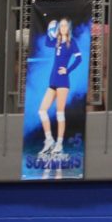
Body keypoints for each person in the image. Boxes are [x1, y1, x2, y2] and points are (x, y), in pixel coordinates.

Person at [37, 18, 82, 155]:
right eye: (60, 26)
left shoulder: (71, 43)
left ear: (68, 28)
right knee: (42, 111)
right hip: (53, 80)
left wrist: (67, 70)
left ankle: (60, 144)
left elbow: (79, 59)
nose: (62, 28)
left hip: (63, 81)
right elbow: (46, 42)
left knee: (59, 113)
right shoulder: (56, 42)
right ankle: (49, 139)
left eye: (64, 26)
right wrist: (49, 30)